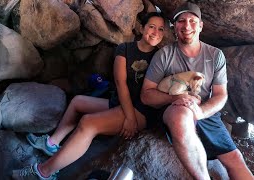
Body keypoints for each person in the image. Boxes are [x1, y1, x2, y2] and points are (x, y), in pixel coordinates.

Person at [11, 12, 166, 180]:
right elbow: (120, 83)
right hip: (121, 102)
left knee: (88, 123)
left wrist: (130, 118)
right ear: (142, 28)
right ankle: (52, 144)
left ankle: (43, 172)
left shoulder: (161, 56)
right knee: (77, 102)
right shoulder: (125, 49)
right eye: (152, 26)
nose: (156, 32)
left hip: (140, 111)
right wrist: (127, 115)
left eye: (161, 29)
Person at [140, 2, 254, 180]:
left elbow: (220, 94)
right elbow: (146, 95)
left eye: (193, 21)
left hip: (204, 111)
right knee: (181, 117)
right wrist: (176, 98)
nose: (187, 26)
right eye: (181, 21)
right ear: (174, 27)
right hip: (175, 108)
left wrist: (201, 112)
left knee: (235, 158)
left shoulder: (215, 55)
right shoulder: (164, 55)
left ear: (200, 26)